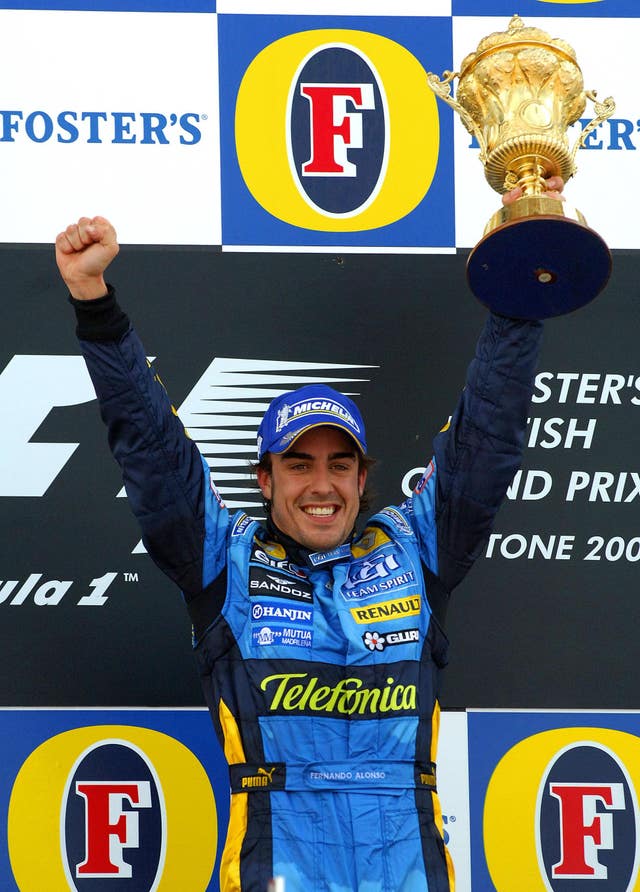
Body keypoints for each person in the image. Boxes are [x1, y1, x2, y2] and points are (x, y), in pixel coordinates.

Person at [55, 184, 555, 891]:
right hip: (278, 862)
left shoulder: (416, 547)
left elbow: (489, 433)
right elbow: (149, 442)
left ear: (360, 477)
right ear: (265, 479)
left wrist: (524, 269)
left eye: (339, 464)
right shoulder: (222, 559)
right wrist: (96, 309)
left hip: (407, 864)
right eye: (299, 464)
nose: (321, 484)